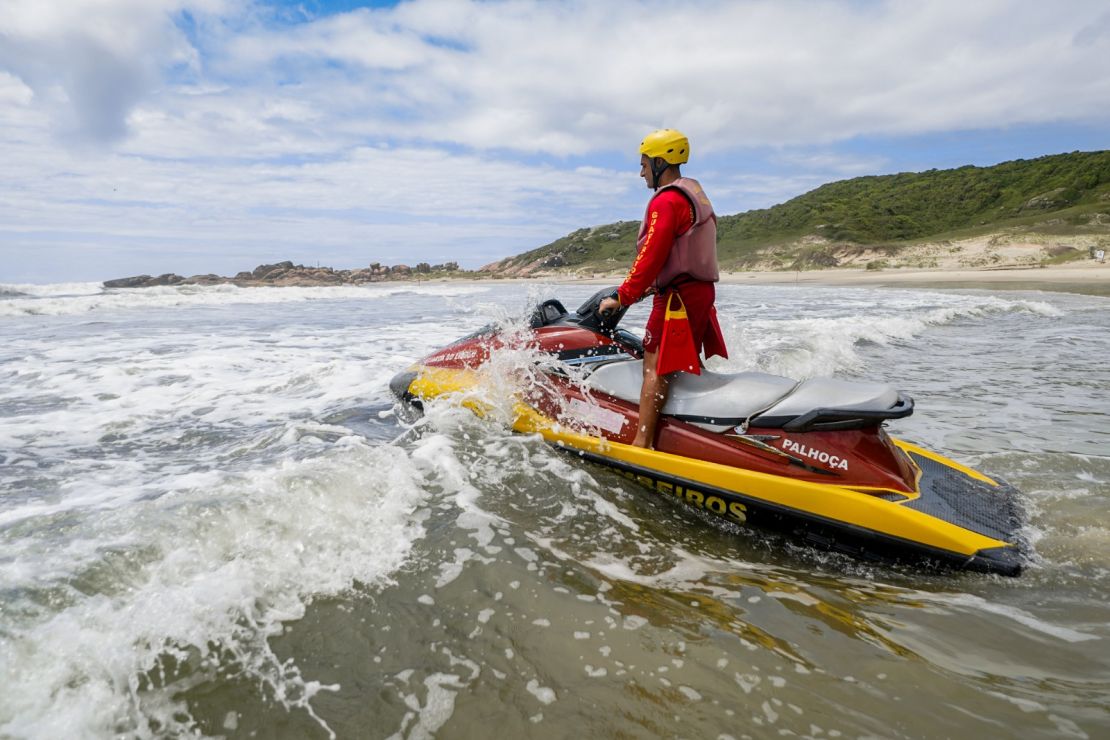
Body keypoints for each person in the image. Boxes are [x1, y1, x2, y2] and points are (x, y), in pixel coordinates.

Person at [598, 129, 728, 449]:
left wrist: (622, 295)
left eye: (644, 164)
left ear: (661, 162)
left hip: (678, 298)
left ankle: (642, 442)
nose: (640, 171)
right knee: (680, 362)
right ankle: (688, 431)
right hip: (698, 293)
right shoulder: (694, 196)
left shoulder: (667, 201)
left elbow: (652, 255)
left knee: (654, 366)